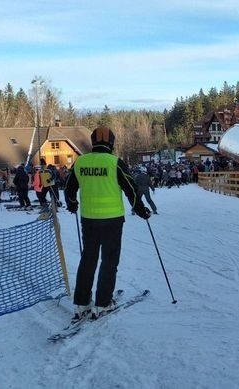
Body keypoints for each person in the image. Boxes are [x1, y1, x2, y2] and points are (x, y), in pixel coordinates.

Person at [64, 126, 151, 322]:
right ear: (111, 143)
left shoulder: (80, 162)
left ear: (94, 142)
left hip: (89, 220)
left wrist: (72, 204)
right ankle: (102, 303)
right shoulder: (115, 163)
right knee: (109, 261)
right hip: (112, 220)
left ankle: (82, 302)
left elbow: (68, 187)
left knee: (88, 260)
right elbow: (131, 188)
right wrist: (141, 210)